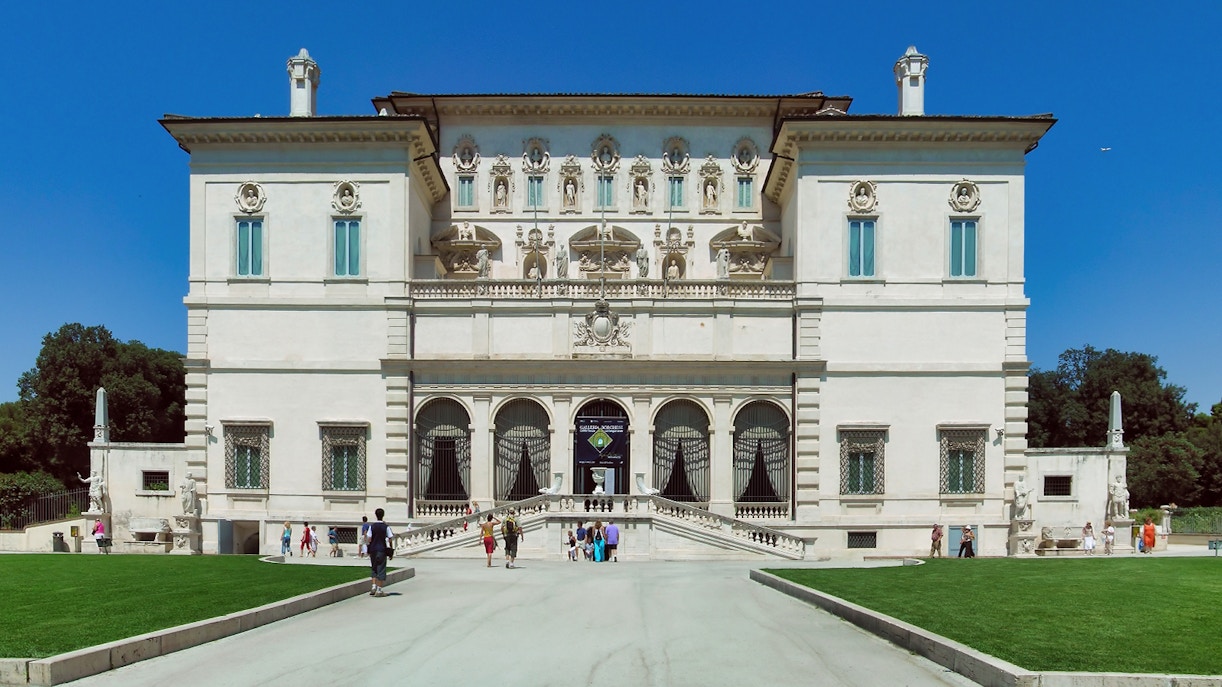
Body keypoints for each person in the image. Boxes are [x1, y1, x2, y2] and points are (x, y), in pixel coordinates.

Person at [367, 507, 394, 596]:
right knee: (381, 568)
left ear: (376, 515)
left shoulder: (372, 526)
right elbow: (390, 538)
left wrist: (369, 548)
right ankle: (379, 590)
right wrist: (391, 550)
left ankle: (373, 586)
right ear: (383, 515)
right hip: (381, 549)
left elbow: (369, 538)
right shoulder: (386, 527)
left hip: (373, 549)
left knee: (374, 568)